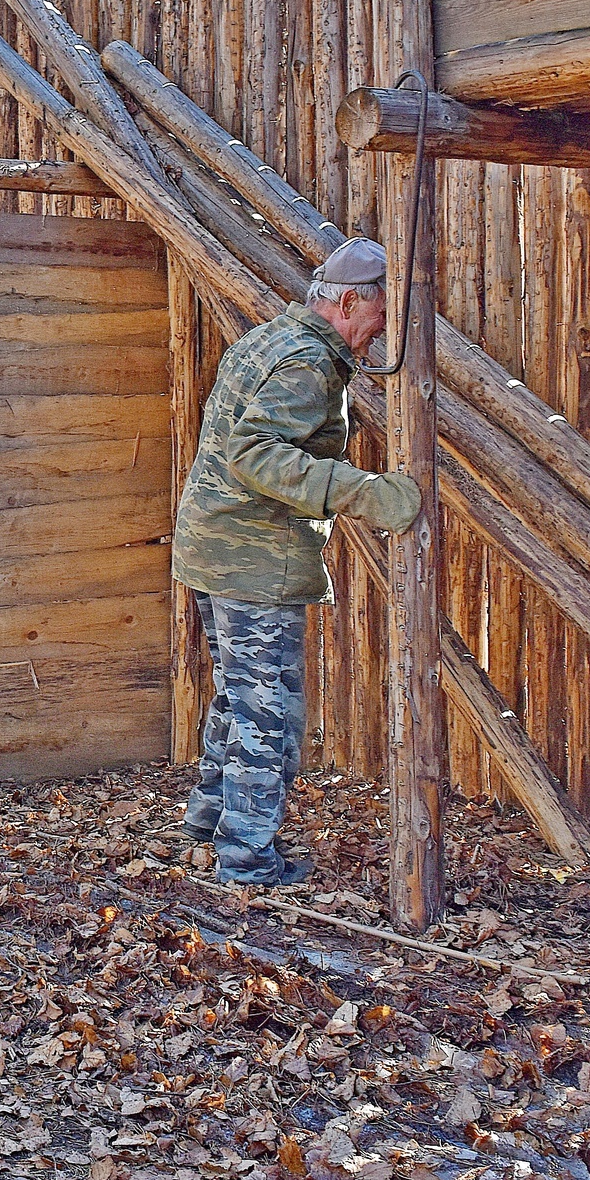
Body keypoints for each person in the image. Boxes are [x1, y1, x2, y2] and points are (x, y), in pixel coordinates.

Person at [169, 235, 422, 888]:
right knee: (268, 716)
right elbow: (255, 453)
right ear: (346, 301)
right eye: (380, 313)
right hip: (254, 563)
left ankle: (206, 828)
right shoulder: (307, 362)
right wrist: (360, 489)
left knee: (236, 700)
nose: (383, 329)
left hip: (213, 548)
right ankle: (247, 863)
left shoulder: (271, 339)